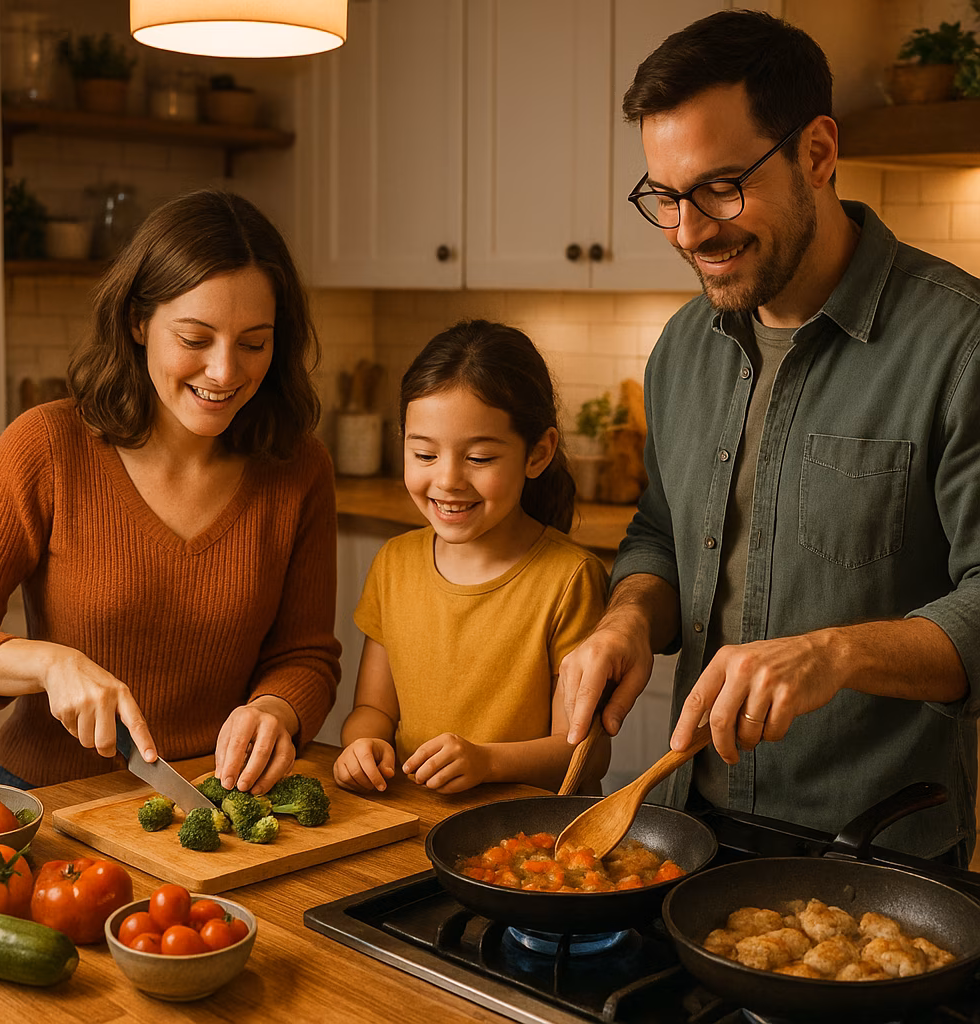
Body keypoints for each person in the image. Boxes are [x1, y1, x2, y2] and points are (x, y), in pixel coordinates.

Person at [560, 10, 980, 864]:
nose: (689, 231)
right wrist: (629, 619)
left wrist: (833, 654)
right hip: (686, 829)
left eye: (720, 187)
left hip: (874, 853)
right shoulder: (684, 345)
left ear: (818, 153)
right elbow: (660, 533)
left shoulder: (959, 344)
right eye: (666, 197)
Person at [0, 188, 341, 795]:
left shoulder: (299, 468)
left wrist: (276, 710)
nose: (224, 371)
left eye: (253, 343)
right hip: (56, 801)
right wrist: (48, 663)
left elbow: (307, 656)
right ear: (138, 321)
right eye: (195, 339)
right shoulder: (47, 446)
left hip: (215, 801)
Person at [333, 319, 609, 795]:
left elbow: (585, 753)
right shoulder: (393, 565)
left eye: (479, 458)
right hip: (415, 823)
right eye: (424, 455)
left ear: (538, 453)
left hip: (530, 843)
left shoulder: (570, 578)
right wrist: (361, 746)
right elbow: (373, 711)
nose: (448, 480)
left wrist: (487, 762)